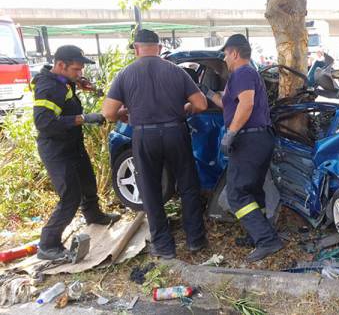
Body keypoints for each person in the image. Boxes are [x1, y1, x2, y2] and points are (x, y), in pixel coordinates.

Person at [102, 29, 209, 259]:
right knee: (188, 185)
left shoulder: (125, 74)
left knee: (150, 190)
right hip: (175, 131)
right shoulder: (176, 71)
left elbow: (109, 112)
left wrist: (123, 114)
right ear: (159, 48)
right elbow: (200, 104)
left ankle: (164, 246)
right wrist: (185, 109)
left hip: (144, 135)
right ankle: (195, 240)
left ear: (136, 48)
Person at [199, 34, 283, 263]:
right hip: (258, 139)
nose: (224, 59)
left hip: (249, 139)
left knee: (236, 193)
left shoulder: (243, 72)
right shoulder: (241, 76)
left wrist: (231, 133)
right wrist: (207, 93)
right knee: (253, 190)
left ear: (234, 53)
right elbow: (226, 102)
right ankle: (260, 232)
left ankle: (267, 240)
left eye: (225, 54)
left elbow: (246, 105)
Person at [32, 45, 121, 260]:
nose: (79, 73)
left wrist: (78, 82)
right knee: (70, 196)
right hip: (56, 149)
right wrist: (83, 118)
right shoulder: (48, 87)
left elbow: (66, 86)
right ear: (61, 65)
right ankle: (48, 244)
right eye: (76, 70)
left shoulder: (62, 80)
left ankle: (94, 215)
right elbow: (44, 122)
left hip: (72, 144)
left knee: (88, 182)